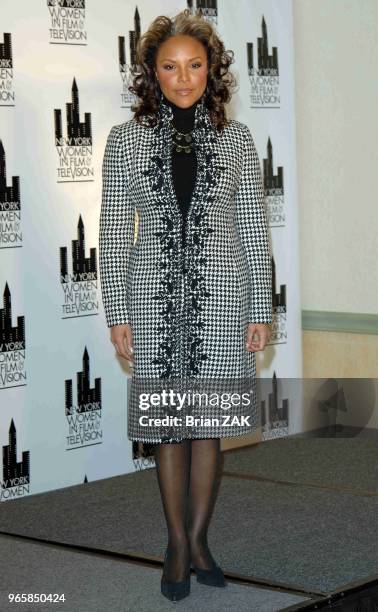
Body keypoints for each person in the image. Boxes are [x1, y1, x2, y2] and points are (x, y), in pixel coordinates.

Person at [99, 9, 272, 602]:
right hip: (151, 301)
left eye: (194, 65)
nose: (183, 77)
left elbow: (254, 228)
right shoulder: (125, 141)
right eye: (170, 66)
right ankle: (176, 544)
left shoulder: (237, 139)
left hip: (224, 299)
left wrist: (260, 309)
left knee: (210, 430)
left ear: (211, 70)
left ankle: (199, 540)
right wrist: (116, 312)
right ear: (152, 71)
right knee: (169, 427)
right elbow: (115, 229)